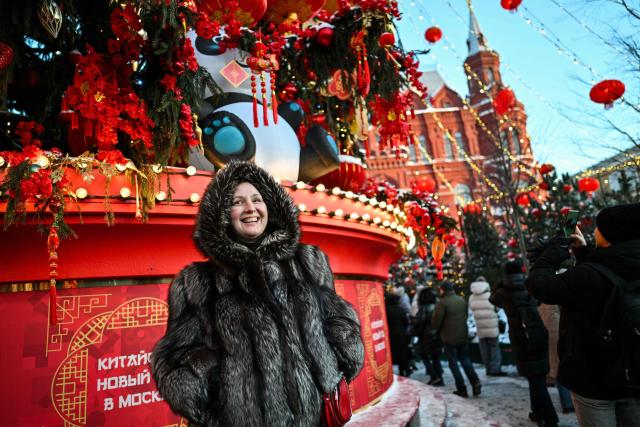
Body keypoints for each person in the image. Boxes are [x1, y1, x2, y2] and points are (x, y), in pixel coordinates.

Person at [151, 161, 365, 427]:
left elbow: (339, 323)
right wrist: (223, 396)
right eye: (237, 202)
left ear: (270, 207)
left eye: (257, 199)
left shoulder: (309, 261)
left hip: (314, 420)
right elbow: (176, 358)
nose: (250, 208)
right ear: (222, 213)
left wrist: (332, 363)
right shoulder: (196, 281)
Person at [526, 203, 640, 426]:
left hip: (594, 380)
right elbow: (609, 275)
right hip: (634, 375)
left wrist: (552, 254)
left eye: (599, 228)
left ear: (610, 235)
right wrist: (584, 252)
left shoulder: (586, 276)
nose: (594, 231)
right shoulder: (627, 264)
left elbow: (539, 286)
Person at [491, 259, 559, 427]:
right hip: (538, 333)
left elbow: (493, 299)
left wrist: (499, 284)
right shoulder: (530, 285)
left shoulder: (503, 293)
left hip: (522, 337)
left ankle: (550, 419)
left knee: (535, 381)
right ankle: (537, 413)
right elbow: (539, 301)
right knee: (537, 379)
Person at [432, 281, 481, 398]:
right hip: (462, 335)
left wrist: (437, 330)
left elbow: (436, 322)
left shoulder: (442, 303)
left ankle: (461, 388)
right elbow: (465, 315)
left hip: (449, 337)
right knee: (465, 359)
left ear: (443, 290)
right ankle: (475, 381)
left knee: (453, 363)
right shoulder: (461, 300)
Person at [468, 275, 505, 376]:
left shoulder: (471, 298)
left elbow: (471, 310)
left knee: (484, 350)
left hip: (480, 327)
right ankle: (495, 369)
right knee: (494, 348)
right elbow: (498, 309)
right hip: (492, 327)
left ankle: (488, 369)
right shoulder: (490, 295)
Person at [411, 287, 444, 385]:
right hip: (437, 335)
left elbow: (419, 321)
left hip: (426, 336)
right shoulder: (437, 306)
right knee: (435, 357)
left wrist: (411, 319)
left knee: (423, 355)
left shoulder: (424, 308)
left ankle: (434, 376)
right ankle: (439, 378)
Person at [385, 291, 411, 377]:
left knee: (395, 353)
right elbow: (406, 322)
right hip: (402, 334)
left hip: (391, 334)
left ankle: (400, 371)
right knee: (403, 353)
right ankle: (405, 369)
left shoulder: (386, 310)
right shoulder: (401, 309)